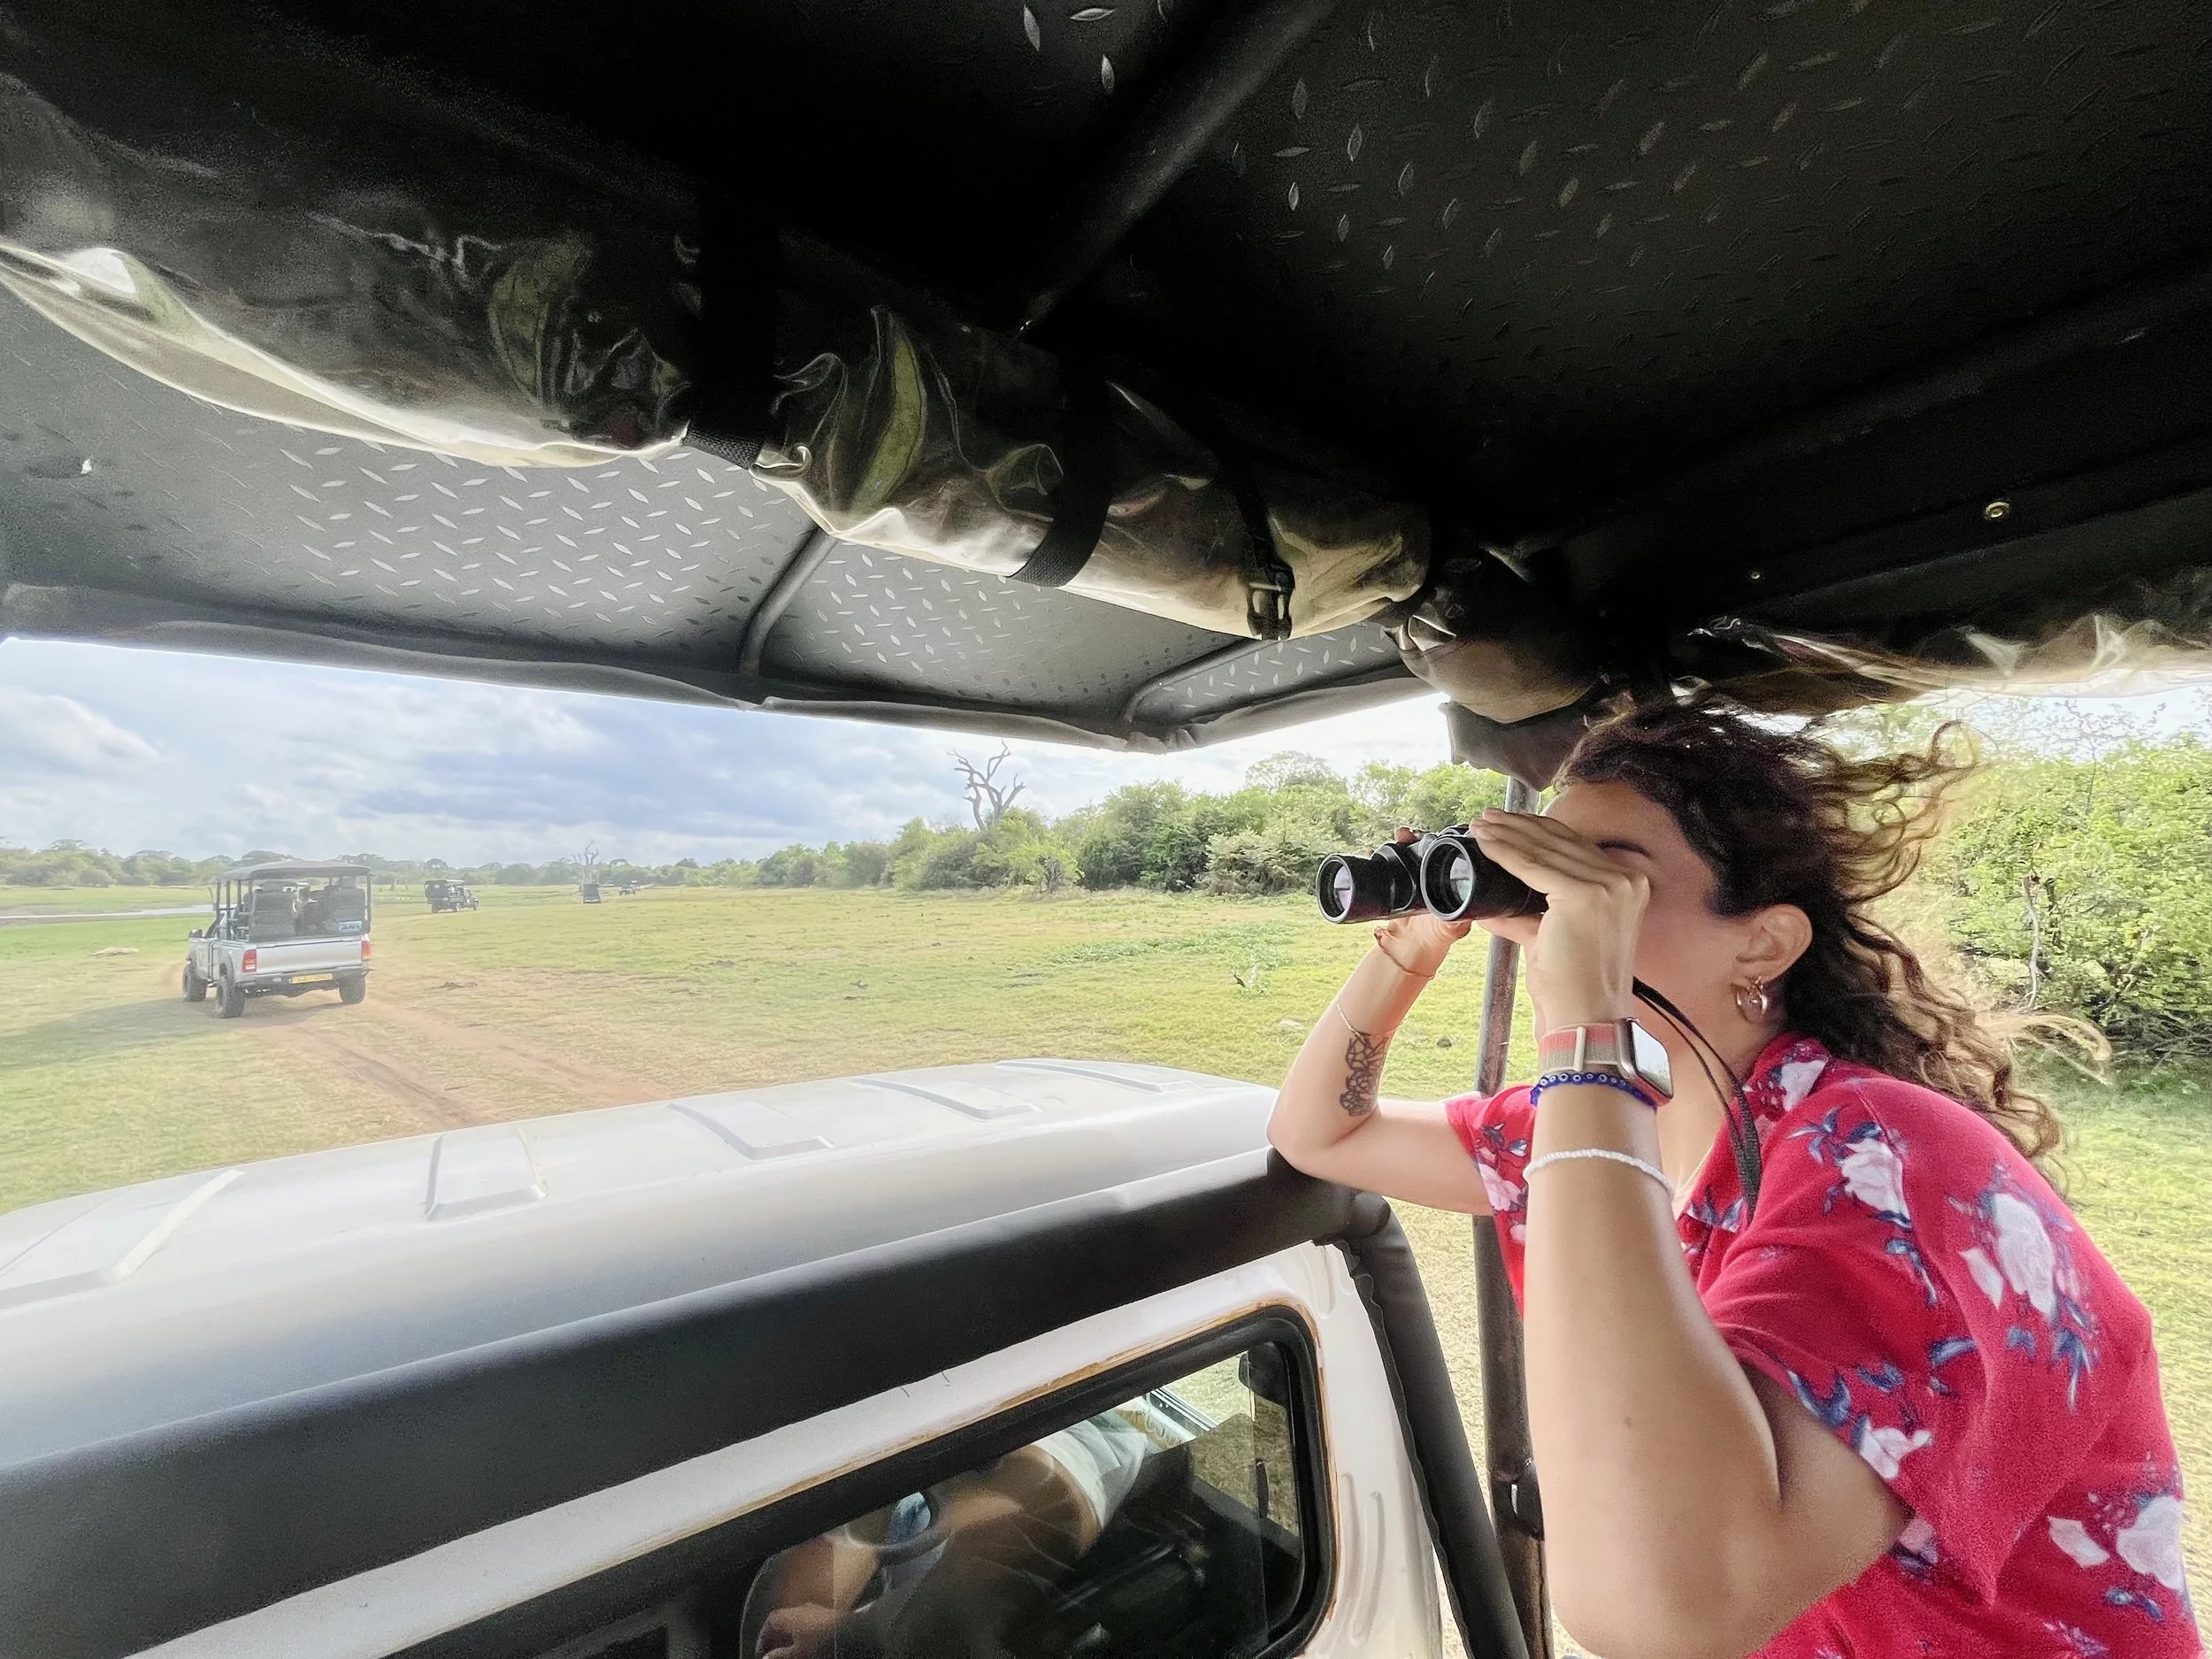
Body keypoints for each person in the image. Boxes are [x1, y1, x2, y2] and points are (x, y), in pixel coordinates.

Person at [1269, 700, 2197, 1658]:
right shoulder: (1593, 1124)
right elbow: (1323, 1132)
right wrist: (1414, 942)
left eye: (1606, 879)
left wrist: (1586, 1022)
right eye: (1545, 875)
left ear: (1762, 944)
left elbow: (1663, 1606)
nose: (1562, 908)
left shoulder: (1887, 1155)